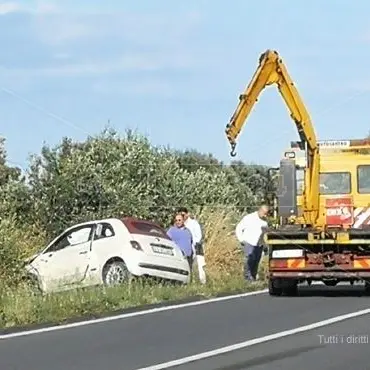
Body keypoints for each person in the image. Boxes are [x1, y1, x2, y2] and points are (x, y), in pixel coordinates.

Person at [235, 205, 269, 281]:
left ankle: (253, 278)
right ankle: (247, 277)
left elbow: (264, 235)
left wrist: (265, 246)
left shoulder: (264, 222)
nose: (265, 215)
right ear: (260, 211)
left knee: (256, 261)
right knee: (249, 260)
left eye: (266, 213)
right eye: (264, 213)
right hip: (249, 242)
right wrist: (241, 239)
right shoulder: (249, 218)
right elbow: (239, 228)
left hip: (259, 245)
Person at [177, 207, 206, 284]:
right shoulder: (179, 225)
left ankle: (202, 283)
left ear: (187, 214)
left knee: (199, 267)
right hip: (184, 249)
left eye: (183, 214)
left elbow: (198, 237)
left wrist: (191, 242)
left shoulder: (194, 223)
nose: (182, 216)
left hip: (196, 248)